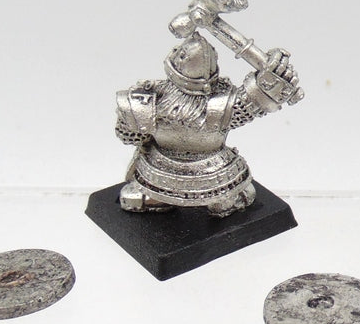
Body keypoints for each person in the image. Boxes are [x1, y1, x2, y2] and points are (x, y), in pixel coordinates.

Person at [114, 32, 299, 216]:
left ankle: (161, 197)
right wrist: (271, 81)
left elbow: (129, 136)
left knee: (138, 195)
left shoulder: (149, 100)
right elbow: (254, 100)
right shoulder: (225, 103)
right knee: (233, 196)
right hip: (207, 173)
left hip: (170, 171)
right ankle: (221, 199)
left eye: (181, 52)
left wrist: (271, 80)